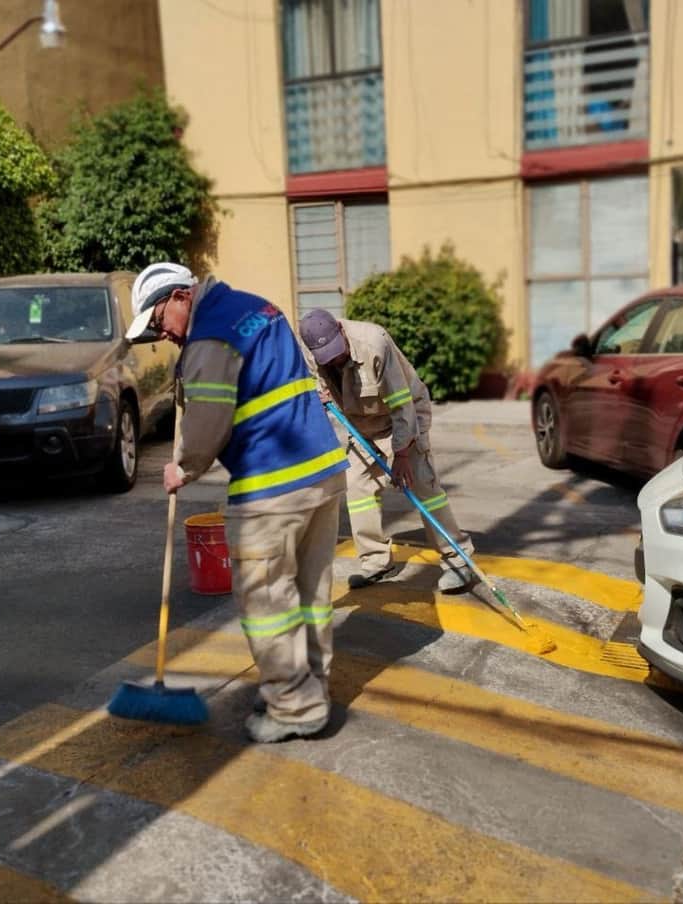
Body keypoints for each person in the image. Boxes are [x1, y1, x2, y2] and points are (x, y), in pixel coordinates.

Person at [125, 263, 348, 744]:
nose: (162, 333)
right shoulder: (256, 307)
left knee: (268, 603)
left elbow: (206, 424)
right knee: (309, 596)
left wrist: (182, 466)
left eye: (159, 319)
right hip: (323, 474)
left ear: (182, 296)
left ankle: (294, 706)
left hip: (273, 485)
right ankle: (309, 687)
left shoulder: (209, 339)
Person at [298, 309, 476, 593]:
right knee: (356, 486)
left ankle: (458, 558)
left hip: (404, 418)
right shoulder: (314, 353)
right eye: (326, 357)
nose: (333, 360)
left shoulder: (374, 344)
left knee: (423, 487)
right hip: (363, 424)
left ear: (341, 332)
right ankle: (376, 561)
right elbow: (316, 386)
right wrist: (320, 396)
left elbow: (401, 406)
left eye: (336, 352)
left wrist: (402, 456)